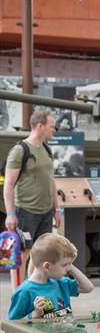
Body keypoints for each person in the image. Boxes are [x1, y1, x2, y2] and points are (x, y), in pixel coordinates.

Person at [3, 110, 63, 290]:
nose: (55, 130)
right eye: (52, 126)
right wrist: (11, 214)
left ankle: (31, 290)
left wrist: (56, 208)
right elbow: (9, 184)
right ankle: (17, 295)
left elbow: (50, 179)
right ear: (40, 126)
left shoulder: (46, 149)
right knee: (22, 255)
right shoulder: (20, 151)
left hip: (45, 212)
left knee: (40, 254)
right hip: (26, 212)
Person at [8, 233, 94, 320]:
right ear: (47, 266)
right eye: (65, 265)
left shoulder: (61, 283)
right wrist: (33, 315)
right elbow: (12, 325)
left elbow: (88, 287)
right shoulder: (24, 292)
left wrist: (69, 264)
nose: (68, 269)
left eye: (69, 264)